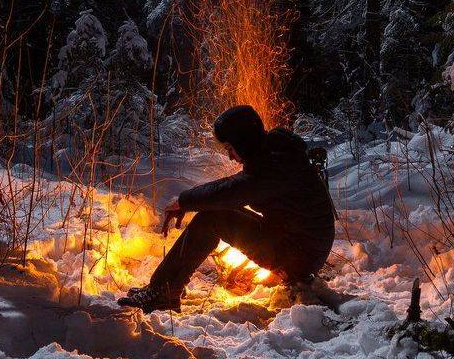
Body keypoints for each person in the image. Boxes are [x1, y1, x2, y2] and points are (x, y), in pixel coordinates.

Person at [121, 104, 335, 312]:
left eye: (230, 149)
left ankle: (162, 292)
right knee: (214, 213)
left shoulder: (275, 166)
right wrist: (189, 201)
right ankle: (163, 288)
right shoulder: (276, 155)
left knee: (212, 219)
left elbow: (232, 191)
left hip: (298, 256)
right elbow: (234, 187)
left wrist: (184, 201)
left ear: (243, 142)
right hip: (298, 246)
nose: (230, 156)